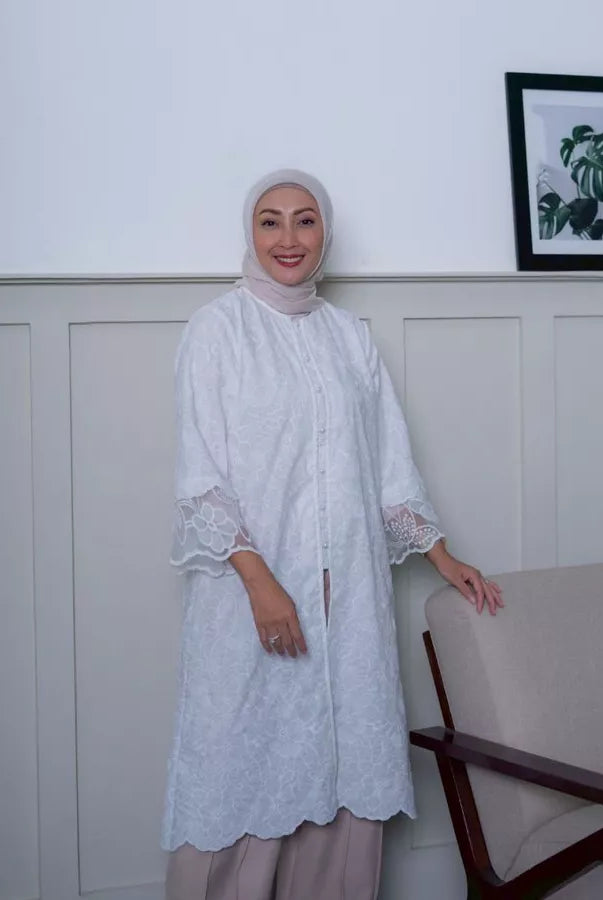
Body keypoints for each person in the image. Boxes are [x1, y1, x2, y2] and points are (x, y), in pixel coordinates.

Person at [161, 169, 503, 900]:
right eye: (270, 220)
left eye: (305, 220)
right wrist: (261, 585)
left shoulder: (349, 338)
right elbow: (202, 476)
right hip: (249, 599)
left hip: (347, 598)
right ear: (249, 233)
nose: (289, 238)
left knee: (345, 772)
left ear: (325, 234)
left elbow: (386, 465)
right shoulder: (216, 329)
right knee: (238, 770)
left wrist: (439, 554)